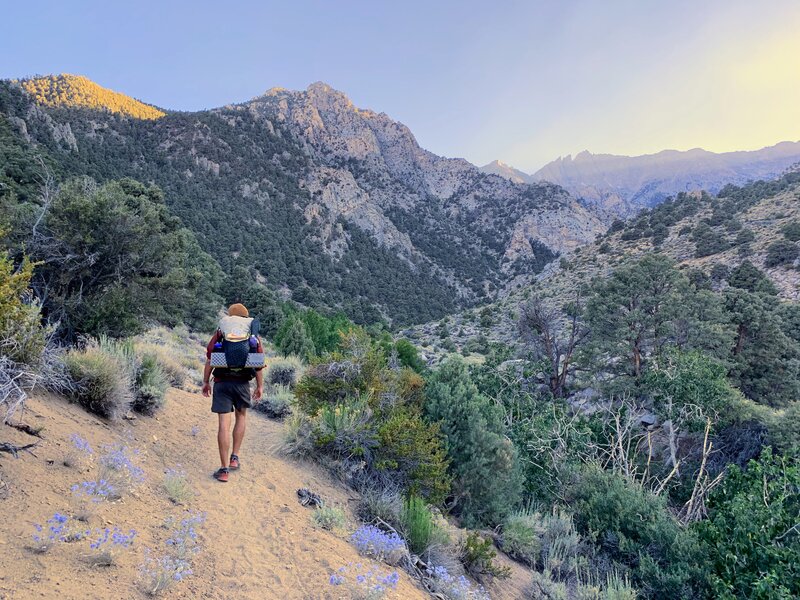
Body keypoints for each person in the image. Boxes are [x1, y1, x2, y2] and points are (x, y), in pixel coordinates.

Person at [202, 303, 263, 482]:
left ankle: (223, 470)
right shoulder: (251, 335)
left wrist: (206, 381)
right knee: (241, 417)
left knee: (223, 424)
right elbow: (258, 363)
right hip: (242, 383)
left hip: (222, 382)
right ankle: (234, 458)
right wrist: (260, 387)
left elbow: (209, 359)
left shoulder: (222, 332)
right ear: (245, 317)